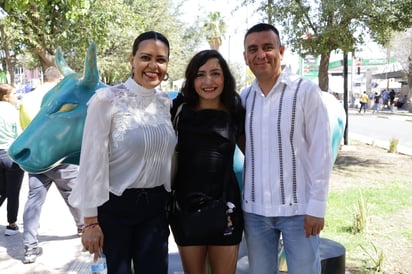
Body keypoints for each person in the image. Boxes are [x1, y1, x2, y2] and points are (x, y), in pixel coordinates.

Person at [68, 31, 175, 274]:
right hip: (115, 209)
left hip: (156, 209)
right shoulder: (106, 99)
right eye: (145, 57)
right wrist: (90, 222)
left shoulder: (164, 102)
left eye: (161, 59)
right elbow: (91, 161)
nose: (153, 65)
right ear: (132, 59)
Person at [240, 23, 332, 274]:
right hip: (255, 211)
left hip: (299, 212)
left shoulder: (306, 91)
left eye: (268, 47)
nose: (261, 54)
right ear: (246, 57)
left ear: (281, 50)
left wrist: (316, 207)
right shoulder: (244, 98)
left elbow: (321, 154)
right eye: (253, 49)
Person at [170, 50, 244, 274]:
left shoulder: (235, 110)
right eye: (200, 74)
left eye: (215, 73)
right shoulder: (178, 109)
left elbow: (255, 152)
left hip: (226, 209)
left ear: (225, 78)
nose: (208, 81)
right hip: (186, 209)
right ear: (192, 80)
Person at [19, 66, 84, 264]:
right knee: (74, 195)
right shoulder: (60, 97)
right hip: (61, 157)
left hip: (36, 160)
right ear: (59, 80)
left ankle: (29, 246)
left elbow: (25, 128)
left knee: (34, 201)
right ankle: (83, 227)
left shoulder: (27, 98)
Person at [0, 84, 24, 236]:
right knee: (13, 192)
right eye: (14, 93)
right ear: (6, 96)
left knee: (2, 190)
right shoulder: (13, 112)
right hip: (11, 156)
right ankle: (11, 224)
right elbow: (19, 135)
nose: (17, 96)